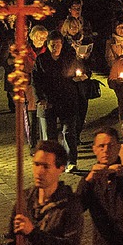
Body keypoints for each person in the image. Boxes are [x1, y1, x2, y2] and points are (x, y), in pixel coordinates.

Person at [32, 31, 82, 171]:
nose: (56, 48)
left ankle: (71, 161)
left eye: (58, 45)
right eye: (53, 45)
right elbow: (35, 81)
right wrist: (40, 99)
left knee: (68, 132)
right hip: (48, 102)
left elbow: (81, 69)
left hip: (67, 100)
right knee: (50, 135)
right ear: (48, 45)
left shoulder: (68, 58)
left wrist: (81, 76)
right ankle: (52, 163)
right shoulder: (41, 60)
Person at [23, 25, 49, 153]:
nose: (41, 39)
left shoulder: (47, 52)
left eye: (44, 37)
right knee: (32, 118)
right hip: (29, 90)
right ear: (32, 36)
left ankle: (44, 144)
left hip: (44, 89)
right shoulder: (25, 51)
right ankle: (33, 145)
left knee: (44, 118)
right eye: (39, 36)